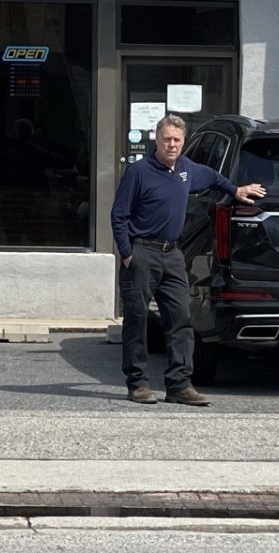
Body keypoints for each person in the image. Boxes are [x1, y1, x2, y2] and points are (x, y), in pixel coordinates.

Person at [111, 113, 266, 406]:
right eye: (166, 139)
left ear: (183, 142)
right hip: (142, 253)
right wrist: (127, 253)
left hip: (173, 255)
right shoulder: (139, 172)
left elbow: (213, 177)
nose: (171, 144)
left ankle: (179, 385)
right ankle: (138, 384)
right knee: (137, 320)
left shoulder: (186, 169)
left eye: (177, 140)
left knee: (181, 319)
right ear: (156, 140)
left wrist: (236, 190)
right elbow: (119, 215)